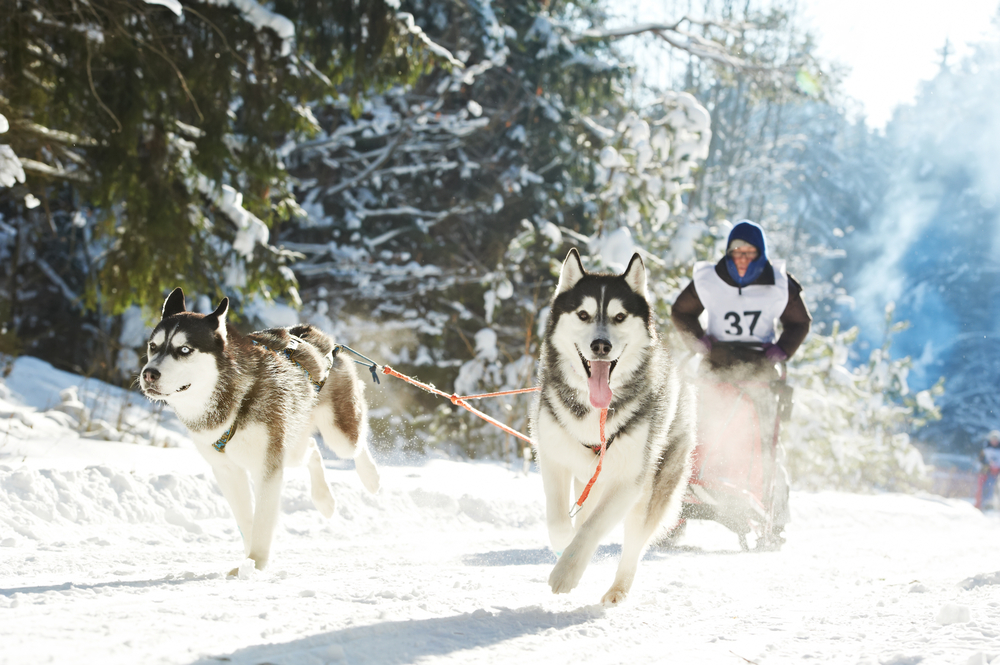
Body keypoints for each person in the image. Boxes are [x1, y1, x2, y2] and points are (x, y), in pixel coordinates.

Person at [671, 219, 812, 538]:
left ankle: (768, 512)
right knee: (699, 435)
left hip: (759, 371)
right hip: (716, 368)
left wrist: (780, 351)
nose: (743, 258)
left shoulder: (778, 282)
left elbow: (799, 322)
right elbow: (681, 312)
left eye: (750, 252)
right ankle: (681, 502)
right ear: (728, 252)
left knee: (761, 442)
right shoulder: (710, 278)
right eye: (736, 251)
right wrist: (698, 341)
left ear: (760, 253)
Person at [975, 430, 1000, 510]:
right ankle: (986, 503)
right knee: (987, 487)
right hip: (988, 472)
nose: (994, 441)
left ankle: (995, 505)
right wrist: (988, 465)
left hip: (997, 472)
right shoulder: (985, 449)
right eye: (993, 439)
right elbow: (981, 460)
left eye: (996, 439)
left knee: (996, 488)